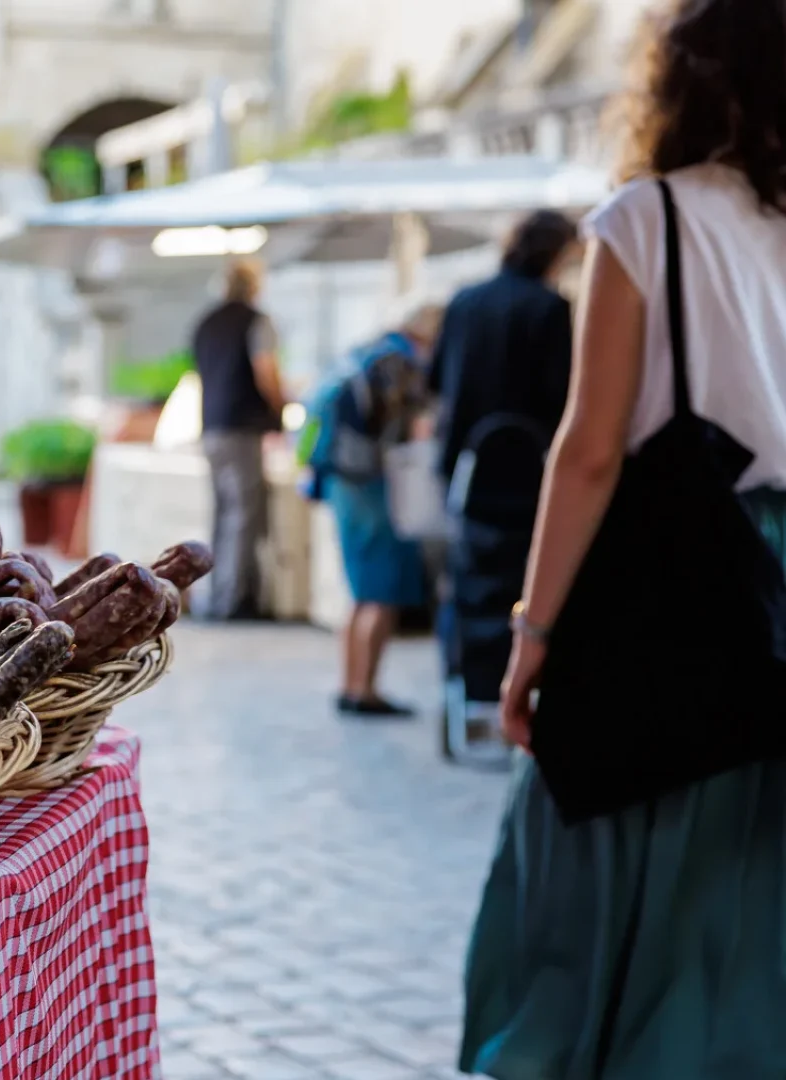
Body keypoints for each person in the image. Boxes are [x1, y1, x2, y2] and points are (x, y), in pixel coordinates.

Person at [461, 3, 786, 1074]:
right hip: (772, 586)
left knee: (595, 854)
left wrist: (531, 632)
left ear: (682, 80)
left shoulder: (648, 219)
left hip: (673, 578)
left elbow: (590, 452)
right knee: (749, 892)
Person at [318, 304, 444, 717]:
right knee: (382, 593)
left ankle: (350, 685)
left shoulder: (365, 352)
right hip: (372, 482)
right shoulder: (403, 363)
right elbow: (414, 430)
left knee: (359, 592)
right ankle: (367, 689)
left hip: (343, 479)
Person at [429, 212, 580, 487]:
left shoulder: (463, 299)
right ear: (556, 252)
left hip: (462, 456)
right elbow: (560, 390)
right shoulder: (549, 306)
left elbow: (435, 378)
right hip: (524, 462)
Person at [193, 258, 285, 620]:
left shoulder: (205, 323)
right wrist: (279, 407)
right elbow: (266, 370)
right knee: (244, 513)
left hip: (212, 425)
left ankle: (218, 594)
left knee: (221, 511)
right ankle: (234, 600)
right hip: (241, 427)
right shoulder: (256, 320)